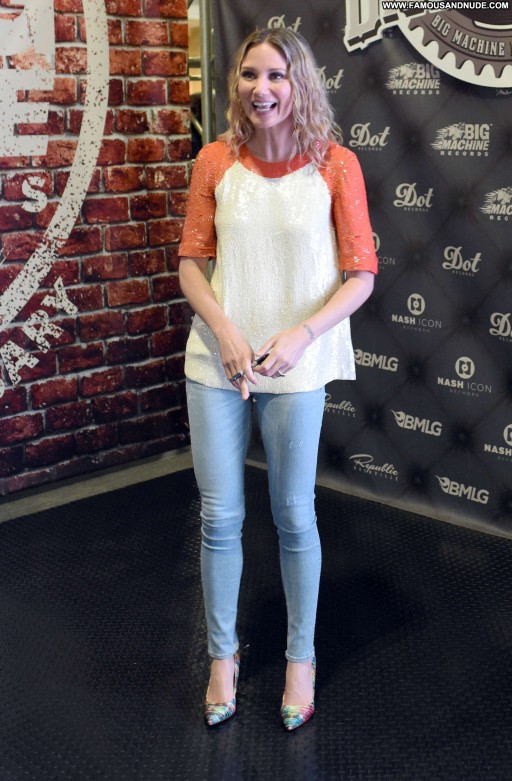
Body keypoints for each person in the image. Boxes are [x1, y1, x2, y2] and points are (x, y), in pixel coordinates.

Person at [178, 27, 378, 730]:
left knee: (294, 515)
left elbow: (360, 276)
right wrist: (226, 332)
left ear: (301, 85)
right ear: (235, 84)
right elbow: (191, 265)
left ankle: (300, 658)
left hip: (296, 365)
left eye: (276, 75)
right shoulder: (214, 160)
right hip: (216, 361)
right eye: (249, 75)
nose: (260, 89)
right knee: (219, 518)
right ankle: (222, 657)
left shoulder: (336, 166)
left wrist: (302, 334)